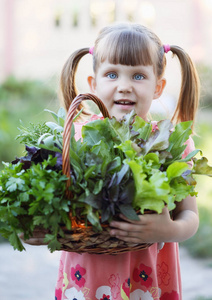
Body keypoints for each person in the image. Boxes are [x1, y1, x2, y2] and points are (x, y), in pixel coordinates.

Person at [32, 22, 201, 300]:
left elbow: (190, 217)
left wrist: (170, 229)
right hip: (85, 280)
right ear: (93, 84)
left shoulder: (172, 144)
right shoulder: (77, 137)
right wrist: (37, 228)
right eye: (112, 74)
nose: (124, 86)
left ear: (158, 87)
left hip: (145, 281)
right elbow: (58, 204)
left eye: (138, 76)